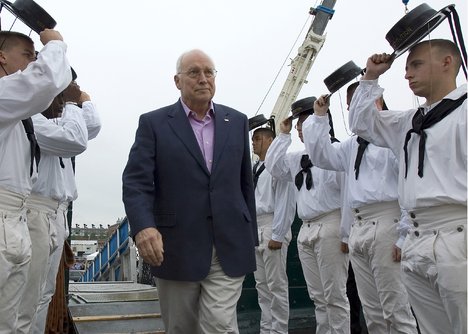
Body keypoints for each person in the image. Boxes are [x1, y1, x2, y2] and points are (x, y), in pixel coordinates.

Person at [122, 49, 258, 334]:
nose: (203, 78)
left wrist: (250, 235)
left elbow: (245, 184)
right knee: (182, 327)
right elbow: (136, 182)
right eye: (194, 72)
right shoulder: (154, 124)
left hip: (229, 244)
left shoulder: (237, 122)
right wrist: (144, 227)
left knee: (219, 325)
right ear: (177, 80)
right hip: (175, 247)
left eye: (209, 72)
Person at [348, 39, 466, 334]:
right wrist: (371, 76)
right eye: (406, 68)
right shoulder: (408, 121)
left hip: (458, 231)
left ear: (447, 62)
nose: (407, 74)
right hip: (417, 236)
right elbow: (362, 123)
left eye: (416, 65)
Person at [303, 82, 418, 333]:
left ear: (374, 101)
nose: (348, 107)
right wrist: (320, 119)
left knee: (396, 310)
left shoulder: (395, 137)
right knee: (374, 313)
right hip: (359, 226)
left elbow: (409, 186)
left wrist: (404, 234)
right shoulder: (351, 145)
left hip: (388, 222)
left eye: (353, 101)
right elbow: (322, 156)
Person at [0, 29, 71, 333]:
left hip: (16, 214)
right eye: (28, 55)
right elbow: (44, 82)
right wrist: (55, 44)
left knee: (16, 319)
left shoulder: (17, 113)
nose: (34, 62)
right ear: (1, 57)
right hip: (5, 212)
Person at [264, 97, 350, 334]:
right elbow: (274, 166)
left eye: (305, 122)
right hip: (306, 228)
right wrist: (283, 135)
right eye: (299, 123)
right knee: (318, 297)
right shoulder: (297, 158)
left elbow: (347, 196)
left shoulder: (338, 151)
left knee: (335, 296)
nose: (301, 128)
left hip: (331, 223)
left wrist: (346, 233)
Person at [27, 77, 101, 334]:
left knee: (43, 294)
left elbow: (91, 126)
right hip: (34, 209)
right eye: (57, 96)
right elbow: (76, 140)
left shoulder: (55, 120)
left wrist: (84, 100)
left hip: (55, 211)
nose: (61, 103)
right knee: (28, 296)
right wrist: (70, 101)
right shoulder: (29, 118)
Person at [250, 124, 295, 334]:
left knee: (276, 286)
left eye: (258, 138)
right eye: (253, 139)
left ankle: (279, 331)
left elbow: (285, 202)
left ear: (270, 140)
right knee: (262, 287)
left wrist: (278, 234)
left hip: (271, 225)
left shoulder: (279, 167)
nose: (254, 142)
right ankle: (266, 329)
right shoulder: (253, 168)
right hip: (255, 227)